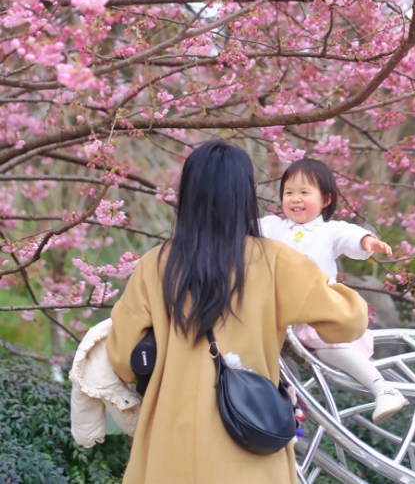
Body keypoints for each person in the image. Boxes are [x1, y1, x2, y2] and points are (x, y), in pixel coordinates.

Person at [106, 141, 367, 484]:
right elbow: (349, 321)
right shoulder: (274, 260)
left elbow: (124, 358)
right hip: (247, 438)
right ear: (243, 195)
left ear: (190, 193)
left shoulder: (155, 264)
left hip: (169, 450)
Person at [260, 158, 407, 424]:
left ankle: (383, 389)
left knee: (331, 349)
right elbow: (242, 231)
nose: (295, 199)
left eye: (305, 192)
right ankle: (285, 406)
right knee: (264, 354)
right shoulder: (273, 227)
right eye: (289, 192)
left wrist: (367, 241)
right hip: (276, 314)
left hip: (317, 312)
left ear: (326, 199)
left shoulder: (329, 231)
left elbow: (349, 236)